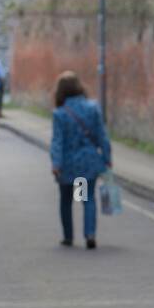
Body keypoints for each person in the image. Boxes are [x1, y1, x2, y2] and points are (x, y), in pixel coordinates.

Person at [50, 71, 112, 249]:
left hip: (68, 166)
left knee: (66, 200)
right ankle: (90, 234)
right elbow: (102, 136)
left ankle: (69, 236)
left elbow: (57, 142)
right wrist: (107, 158)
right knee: (86, 198)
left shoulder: (60, 114)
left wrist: (56, 164)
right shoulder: (92, 108)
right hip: (87, 164)